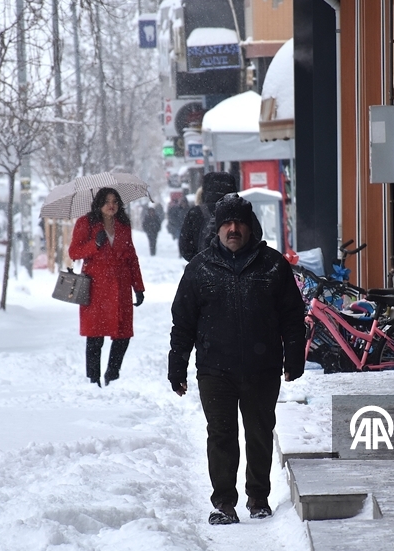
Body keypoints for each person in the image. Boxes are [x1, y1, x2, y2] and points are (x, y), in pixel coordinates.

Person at [168, 194, 306, 525]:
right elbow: (183, 322)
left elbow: (292, 316)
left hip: (263, 368)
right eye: (227, 223)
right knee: (221, 435)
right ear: (217, 228)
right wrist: (178, 367)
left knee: (259, 432)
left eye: (239, 223)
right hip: (215, 371)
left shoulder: (273, 265)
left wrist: (294, 358)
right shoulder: (199, 269)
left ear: (250, 227)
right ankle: (223, 503)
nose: (233, 229)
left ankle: (258, 497)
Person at [68, 188, 145, 387]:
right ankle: (93, 380)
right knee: (95, 336)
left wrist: (138, 286)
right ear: (99, 203)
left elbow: (131, 257)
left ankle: (112, 374)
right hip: (96, 287)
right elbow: (74, 252)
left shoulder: (123, 225)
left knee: (123, 334)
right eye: (107, 201)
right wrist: (95, 243)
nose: (111, 205)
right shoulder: (86, 223)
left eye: (115, 201)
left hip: (121, 287)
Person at [178, 172, 261, 262]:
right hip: (240, 270)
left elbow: (185, 248)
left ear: (205, 189)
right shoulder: (243, 210)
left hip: (207, 271)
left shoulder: (195, 213)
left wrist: (201, 263)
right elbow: (257, 236)